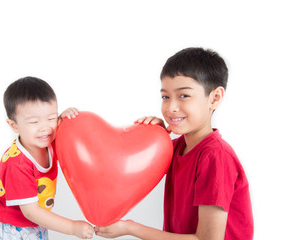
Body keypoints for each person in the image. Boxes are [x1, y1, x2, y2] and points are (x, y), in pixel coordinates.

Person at [95, 47, 254, 240]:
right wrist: (153, 135)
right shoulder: (176, 147)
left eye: (184, 96)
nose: (171, 107)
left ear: (215, 98)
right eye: (165, 97)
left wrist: (131, 228)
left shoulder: (215, 156)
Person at [0, 76, 94, 240]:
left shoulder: (49, 141)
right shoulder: (16, 163)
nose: (45, 128)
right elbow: (31, 211)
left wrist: (65, 121)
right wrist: (72, 227)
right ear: (14, 125)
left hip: (36, 223)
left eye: (51, 118)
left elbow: (74, 137)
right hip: (13, 230)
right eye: (34, 121)